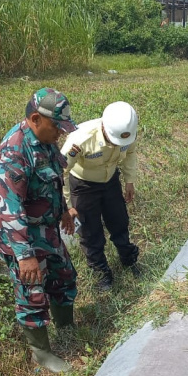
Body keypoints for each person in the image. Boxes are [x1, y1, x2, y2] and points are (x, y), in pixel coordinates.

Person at [0, 87, 79, 373]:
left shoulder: (45, 140)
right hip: (23, 238)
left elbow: (53, 177)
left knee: (64, 276)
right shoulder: (14, 153)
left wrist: (63, 210)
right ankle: (40, 353)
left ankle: (66, 327)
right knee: (32, 292)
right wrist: (25, 256)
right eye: (57, 127)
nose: (61, 134)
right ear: (35, 119)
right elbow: (9, 208)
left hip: (47, 228)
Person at [60, 101, 141, 291]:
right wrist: (67, 204)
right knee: (90, 232)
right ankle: (101, 272)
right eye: (113, 140)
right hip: (83, 186)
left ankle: (128, 260)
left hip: (111, 180)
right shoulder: (80, 139)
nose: (116, 144)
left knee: (119, 221)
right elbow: (61, 171)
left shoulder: (128, 133)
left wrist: (129, 180)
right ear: (105, 128)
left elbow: (130, 153)